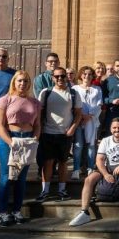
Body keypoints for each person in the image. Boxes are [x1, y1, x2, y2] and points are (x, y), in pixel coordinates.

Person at [69, 118, 119, 227]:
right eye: (114, 128)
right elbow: (99, 160)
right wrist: (106, 174)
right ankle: (84, 212)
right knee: (89, 179)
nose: (117, 130)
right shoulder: (105, 140)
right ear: (111, 129)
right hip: (108, 168)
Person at [0, 70, 41, 227]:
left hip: (28, 140)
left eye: (26, 81)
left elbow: (38, 124)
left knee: (21, 178)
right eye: (20, 80)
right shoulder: (5, 99)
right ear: (14, 82)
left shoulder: (35, 102)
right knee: (7, 177)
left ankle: (16, 210)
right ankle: (3, 212)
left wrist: (35, 139)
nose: (22, 83)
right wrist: (10, 142)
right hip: (10, 139)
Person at [35, 67, 82, 202]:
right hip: (48, 133)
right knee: (47, 162)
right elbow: (39, 113)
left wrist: (72, 128)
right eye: (57, 76)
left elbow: (78, 113)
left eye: (62, 76)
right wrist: (39, 129)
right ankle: (45, 191)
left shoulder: (73, 93)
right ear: (52, 78)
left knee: (63, 162)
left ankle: (62, 190)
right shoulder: (46, 92)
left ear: (66, 77)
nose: (60, 78)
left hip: (65, 134)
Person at [71, 66, 102, 178]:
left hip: (92, 121)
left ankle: (90, 168)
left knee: (91, 146)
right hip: (78, 120)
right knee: (78, 145)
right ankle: (76, 169)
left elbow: (99, 104)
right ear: (81, 75)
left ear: (92, 76)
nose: (87, 76)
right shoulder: (75, 88)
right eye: (85, 74)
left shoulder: (97, 89)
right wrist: (82, 116)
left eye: (89, 74)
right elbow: (72, 104)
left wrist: (88, 116)